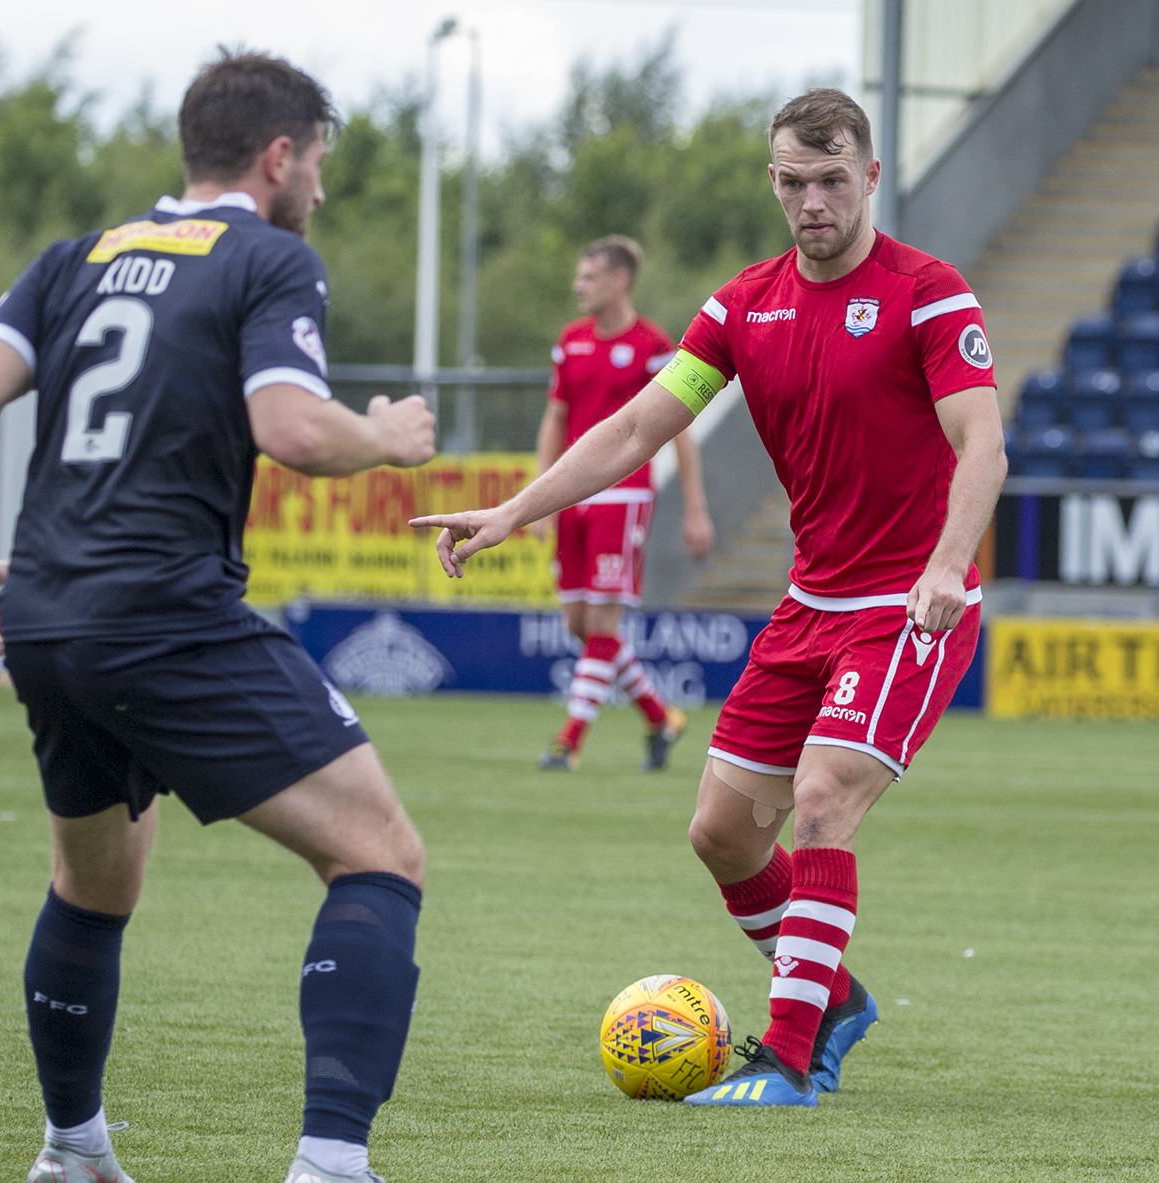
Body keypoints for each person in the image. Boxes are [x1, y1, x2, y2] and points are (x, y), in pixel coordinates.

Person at [413, 87, 1005, 1108]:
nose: (813, 200)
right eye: (793, 181)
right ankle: (836, 997)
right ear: (773, 183)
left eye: (832, 180)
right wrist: (515, 510)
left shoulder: (930, 293)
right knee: (723, 832)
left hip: (910, 605)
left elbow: (981, 443)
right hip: (810, 601)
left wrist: (949, 565)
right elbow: (638, 428)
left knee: (819, 805)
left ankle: (786, 1056)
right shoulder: (744, 306)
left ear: (869, 178)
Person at [0, 52, 436, 1183]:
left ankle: (71, 1149)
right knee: (379, 857)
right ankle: (330, 1164)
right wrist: (388, 435)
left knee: (94, 882)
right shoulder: (267, 257)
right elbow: (295, 431)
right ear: (278, 155)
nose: (320, 188)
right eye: (318, 161)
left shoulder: (75, 260)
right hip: (166, 610)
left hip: (50, 616)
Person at [533, 235, 714, 772]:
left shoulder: (653, 345)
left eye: (589, 276)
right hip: (572, 492)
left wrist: (695, 507)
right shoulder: (571, 341)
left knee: (603, 624)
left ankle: (569, 743)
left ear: (620, 281)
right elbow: (555, 417)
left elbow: (679, 429)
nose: (578, 286)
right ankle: (661, 718)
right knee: (579, 625)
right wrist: (536, 498)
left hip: (625, 491)